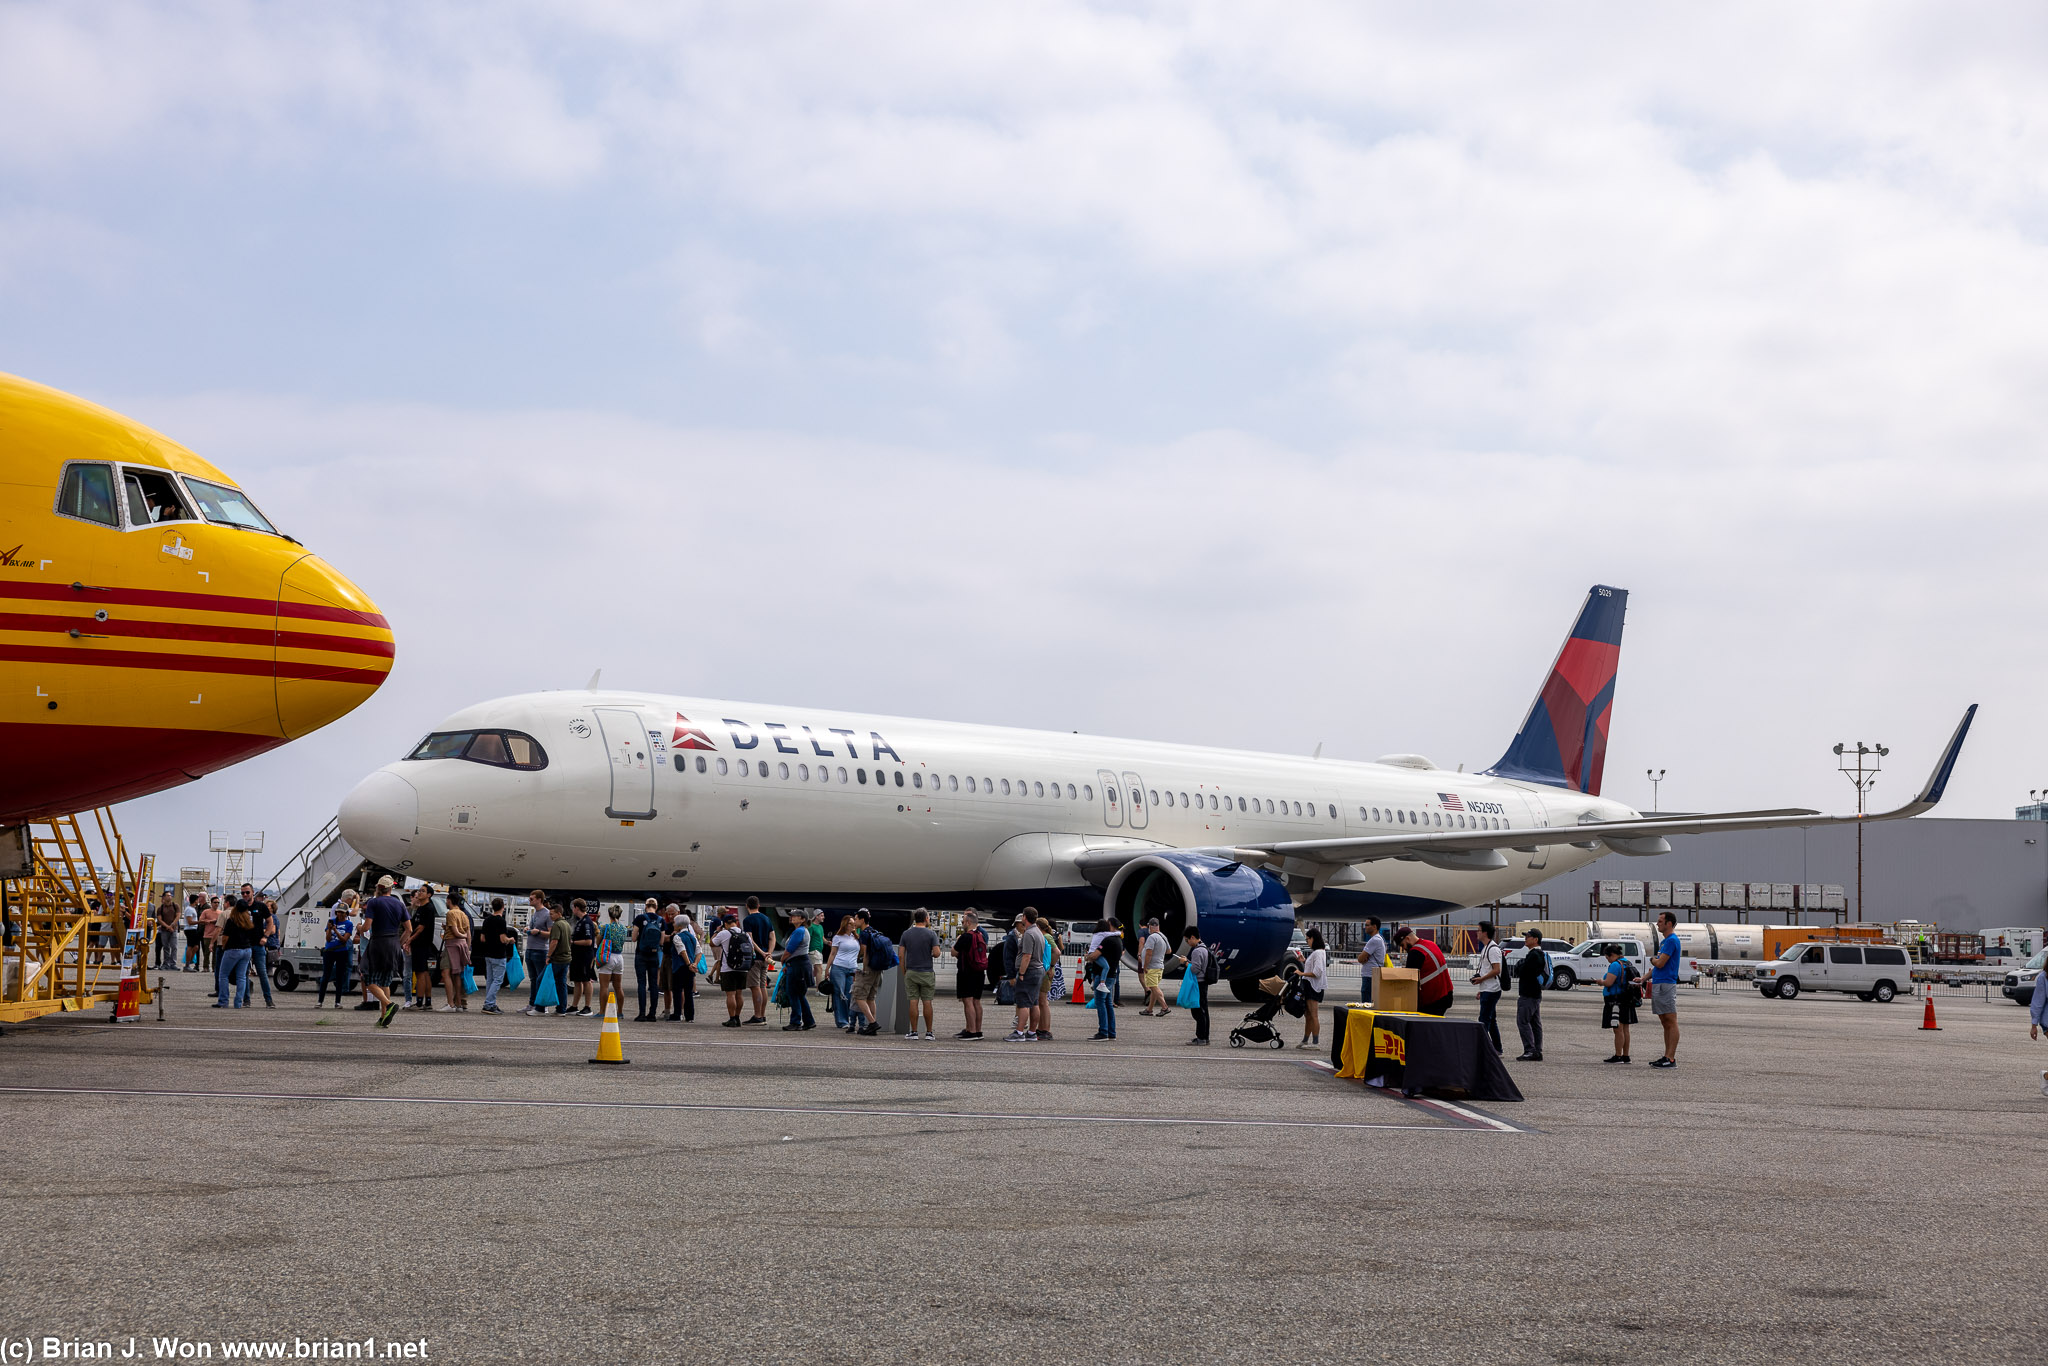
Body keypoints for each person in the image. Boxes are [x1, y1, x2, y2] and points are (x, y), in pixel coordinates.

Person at [360, 876, 409, 1028]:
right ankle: (383, 1017)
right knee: (385, 981)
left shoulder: (374, 902)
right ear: (390, 889)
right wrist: (399, 943)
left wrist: (359, 929)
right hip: (393, 943)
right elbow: (409, 929)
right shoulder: (399, 904)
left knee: (368, 979)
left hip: (378, 943)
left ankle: (388, 1005)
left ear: (378, 888)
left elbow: (367, 927)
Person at [899, 909, 940, 1040]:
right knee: (927, 1002)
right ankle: (929, 1033)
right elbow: (937, 953)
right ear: (926, 919)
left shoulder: (906, 934)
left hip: (911, 971)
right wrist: (931, 953)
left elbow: (901, 955)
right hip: (927, 971)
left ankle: (914, 1032)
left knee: (913, 1001)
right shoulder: (931, 934)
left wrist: (904, 971)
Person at [1005, 910, 1046, 1042]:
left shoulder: (1029, 934)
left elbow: (1027, 956)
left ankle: (1019, 1032)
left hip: (1029, 971)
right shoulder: (1038, 932)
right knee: (1034, 1002)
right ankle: (1032, 1032)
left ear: (1024, 917)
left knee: (1023, 1003)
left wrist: (1021, 973)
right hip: (1038, 970)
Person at [852, 911, 895, 1038]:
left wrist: (864, 969)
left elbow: (865, 953)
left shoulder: (865, 934)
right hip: (878, 968)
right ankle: (872, 1025)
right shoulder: (873, 931)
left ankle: (872, 1022)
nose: (854, 921)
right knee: (871, 997)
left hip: (869, 969)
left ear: (862, 920)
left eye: (856, 919)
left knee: (859, 996)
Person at [1649, 911, 1682, 1068]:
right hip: (1660, 982)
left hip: (1666, 984)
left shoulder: (1671, 941)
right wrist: (1643, 978)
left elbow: (1660, 963)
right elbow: (1658, 966)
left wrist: (1653, 960)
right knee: (1664, 1021)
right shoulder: (1665, 942)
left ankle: (1670, 1058)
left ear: (1669, 923)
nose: (1657, 924)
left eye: (1660, 921)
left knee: (1670, 1021)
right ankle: (1667, 1055)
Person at [1397, 927, 1454, 1016]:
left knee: (1427, 1028)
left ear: (1407, 939)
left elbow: (1409, 979)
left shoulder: (1415, 952)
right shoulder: (1430, 944)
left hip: (1433, 998)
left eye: (1402, 945)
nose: (1404, 948)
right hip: (1446, 993)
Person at [477, 897, 519, 1014]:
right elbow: (502, 939)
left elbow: (482, 938)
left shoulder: (487, 920)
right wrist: (510, 939)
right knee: (498, 981)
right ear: (503, 907)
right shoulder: (501, 921)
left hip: (488, 953)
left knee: (490, 980)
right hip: (498, 954)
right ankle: (489, 1004)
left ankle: (491, 1003)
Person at [316, 893, 358, 1008]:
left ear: (346, 913)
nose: (339, 914)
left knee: (340, 976)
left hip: (341, 951)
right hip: (330, 950)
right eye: (338, 912)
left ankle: (337, 1001)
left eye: (342, 912)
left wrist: (336, 930)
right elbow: (328, 938)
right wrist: (329, 929)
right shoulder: (331, 921)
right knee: (326, 975)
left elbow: (344, 939)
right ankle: (320, 1001)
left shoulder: (348, 924)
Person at [1171, 927, 1212, 1045]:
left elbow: (1195, 969)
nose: (1187, 943)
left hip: (1198, 983)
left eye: (1187, 940)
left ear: (1193, 937)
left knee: (1197, 1011)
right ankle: (1205, 1037)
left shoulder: (1197, 951)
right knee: (1204, 1010)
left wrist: (1185, 962)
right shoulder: (1204, 948)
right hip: (1203, 983)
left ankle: (1201, 1038)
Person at [712, 910, 753, 1028]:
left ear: (725, 924)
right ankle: (738, 1018)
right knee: (739, 994)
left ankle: (731, 1019)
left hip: (728, 968)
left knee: (730, 995)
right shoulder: (745, 934)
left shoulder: (723, 934)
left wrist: (717, 931)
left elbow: (712, 944)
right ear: (736, 922)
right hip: (743, 968)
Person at [777, 910, 817, 1031]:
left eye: (795, 916)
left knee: (793, 993)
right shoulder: (801, 930)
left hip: (797, 965)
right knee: (799, 994)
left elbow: (790, 949)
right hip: (800, 964)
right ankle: (808, 1021)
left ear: (803, 919)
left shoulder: (799, 931)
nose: (792, 918)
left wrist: (783, 960)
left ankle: (795, 1021)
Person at [214, 901, 259, 1009]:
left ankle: (223, 1001)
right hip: (247, 950)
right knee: (242, 977)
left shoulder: (232, 920)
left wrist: (224, 947)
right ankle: (238, 1002)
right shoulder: (249, 921)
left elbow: (225, 937)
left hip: (233, 949)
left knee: (223, 975)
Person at [952, 909, 988, 1039]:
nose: (962, 923)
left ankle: (971, 1031)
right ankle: (977, 1030)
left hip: (966, 972)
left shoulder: (966, 936)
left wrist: (958, 940)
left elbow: (954, 952)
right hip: (979, 972)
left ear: (968, 922)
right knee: (977, 1002)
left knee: (968, 1001)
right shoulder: (980, 935)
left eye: (963, 921)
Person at [1086, 918, 1124, 1041]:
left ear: (1110, 925)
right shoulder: (1118, 940)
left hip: (1103, 976)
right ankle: (1111, 1031)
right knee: (1108, 1003)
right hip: (1112, 975)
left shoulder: (1107, 940)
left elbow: (1095, 955)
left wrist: (1088, 957)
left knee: (1100, 1002)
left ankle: (1103, 1032)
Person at [1468, 921, 1503, 1052]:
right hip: (1487, 989)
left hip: (1491, 989)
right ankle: (1497, 1048)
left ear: (1485, 933)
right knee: (1491, 1020)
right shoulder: (1486, 948)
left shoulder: (1493, 949)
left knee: (1483, 1020)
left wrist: (1481, 979)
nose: (1476, 932)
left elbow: (1496, 970)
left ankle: (1481, 1048)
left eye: (1478, 930)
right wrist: (1481, 988)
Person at [1513, 928, 1547, 1062]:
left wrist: (1521, 965)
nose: (1525, 938)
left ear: (1535, 939)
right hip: (1535, 994)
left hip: (1528, 994)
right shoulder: (1538, 954)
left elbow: (1523, 971)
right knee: (1535, 1023)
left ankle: (1530, 1050)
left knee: (1523, 1021)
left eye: (1528, 936)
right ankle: (1537, 1050)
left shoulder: (1534, 955)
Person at [1600, 943, 1637, 1063]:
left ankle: (1618, 1055)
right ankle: (1626, 1056)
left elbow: (1609, 982)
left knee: (1618, 1028)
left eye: (1607, 958)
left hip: (1616, 1000)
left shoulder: (1615, 965)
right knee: (1625, 1028)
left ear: (1612, 955)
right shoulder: (1627, 962)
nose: (1608, 961)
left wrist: (1600, 981)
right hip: (1627, 999)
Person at [742, 897, 775, 1025]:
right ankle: (763, 1014)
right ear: (759, 905)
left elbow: (750, 940)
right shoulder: (766, 919)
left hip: (755, 958)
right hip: (766, 959)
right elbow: (772, 937)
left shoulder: (748, 920)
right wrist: (769, 953)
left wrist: (760, 952)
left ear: (747, 906)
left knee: (755, 987)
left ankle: (757, 1016)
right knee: (763, 986)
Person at [404, 887, 438, 1010]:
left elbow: (421, 927)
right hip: (419, 944)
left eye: (423, 891)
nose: (419, 893)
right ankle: (427, 1002)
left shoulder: (428, 908)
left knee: (420, 973)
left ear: (429, 895)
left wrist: (410, 939)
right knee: (424, 972)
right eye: (419, 891)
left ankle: (419, 1002)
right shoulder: (420, 908)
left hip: (422, 944)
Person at [663, 905, 698, 1022]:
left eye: (675, 923)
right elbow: (699, 951)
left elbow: (682, 951)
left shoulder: (677, 937)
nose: (673, 924)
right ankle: (690, 1016)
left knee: (677, 990)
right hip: (690, 968)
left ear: (678, 925)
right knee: (688, 992)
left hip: (679, 967)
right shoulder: (692, 937)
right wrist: (694, 964)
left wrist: (688, 964)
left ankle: (677, 1014)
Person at [521, 891, 553, 1016]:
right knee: (533, 979)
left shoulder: (547, 914)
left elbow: (551, 933)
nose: (529, 900)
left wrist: (538, 932)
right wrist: (527, 930)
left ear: (539, 899)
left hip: (540, 950)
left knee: (540, 979)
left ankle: (542, 1006)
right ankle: (532, 1003)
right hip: (530, 949)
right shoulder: (535, 913)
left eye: (531, 899)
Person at [440, 893, 472, 1011]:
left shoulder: (451, 913)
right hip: (462, 946)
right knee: (457, 974)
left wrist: (461, 935)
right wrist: (467, 948)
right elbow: (468, 933)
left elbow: (455, 931)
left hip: (452, 945)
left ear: (449, 900)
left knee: (445, 972)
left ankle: (450, 1004)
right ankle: (458, 1003)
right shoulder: (464, 914)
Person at [1299, 926, 1329, 1049]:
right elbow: (1314, 968)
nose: (1307, 942)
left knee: (1313, 1014)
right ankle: (1305, 1040)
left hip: (1313, 986)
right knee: (1308, 1015)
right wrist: (1304, 961)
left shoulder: (1318, 952)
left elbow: (1317, 972)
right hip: (1311, 985)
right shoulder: (1319, 952)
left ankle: (1315, 1042)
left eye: (1307, 939)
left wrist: (1301, 973)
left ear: (1313, 939)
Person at [1033, 913, 1060, 1041]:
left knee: (1043, 1001)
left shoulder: (1047, 937)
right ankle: (1042, 1027)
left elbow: (1057, 952)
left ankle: (1045, 1029)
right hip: (1044, 970)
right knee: (1042, 1001)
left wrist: (1051, 967)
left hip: (1045, 972)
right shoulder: (1046, 936)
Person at [545, 902, 575, 1016]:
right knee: (561, 984)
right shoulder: (566, 924)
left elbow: (554, 941)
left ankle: (540, 1006)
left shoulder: (557, 925)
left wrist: (548, 956)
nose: (550, 916)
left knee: (542, 980)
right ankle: (561, 1009)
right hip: (566, 958)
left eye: (552, 914)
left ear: (558, 913)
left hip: (557, 959)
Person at [1137, 917, 1171, 1017]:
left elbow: (1149, 953)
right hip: (1160, 966)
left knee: (1154, 987)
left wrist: (1145, 966)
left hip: (1152, 967)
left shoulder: (1152, 937)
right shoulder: (1163, 936)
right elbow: (1169, 951)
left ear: (1149, 926)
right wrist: (1159, 952)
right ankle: (1149, 1009)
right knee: (1153, 989)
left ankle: (1165, 1007)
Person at [1354, 916, 1387, 1004]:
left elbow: (1360, 958)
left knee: (1366, 1001)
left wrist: (1362, 957)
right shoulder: (1380, 939)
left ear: (1374, 927)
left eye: (1367, 925)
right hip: (1374, 974)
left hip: (1369, 975)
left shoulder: (1374, 940)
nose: (1365, 927)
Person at [153, 890, 179, 971]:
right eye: (167, 895)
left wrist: (172, 925)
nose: (169, 897)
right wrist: (167, 926)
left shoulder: (175, 906)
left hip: (173, 929)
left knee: (174, 946)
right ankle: (166, 963)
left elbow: (178, 916)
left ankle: (173, 963)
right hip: (164, 930)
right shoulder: (160, 908)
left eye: (170, 895)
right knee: (166, 947)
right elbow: (160, 919)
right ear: (163, 897)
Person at [181, 896, 203, 971]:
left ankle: (189, 962)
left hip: (194, 929)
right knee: (190, 946)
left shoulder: (193, 909)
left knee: (196, 947)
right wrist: (200, 922)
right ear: (195, 900)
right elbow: (190, 922)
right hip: (190, 929)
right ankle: (187, 965)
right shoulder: (189, 909)